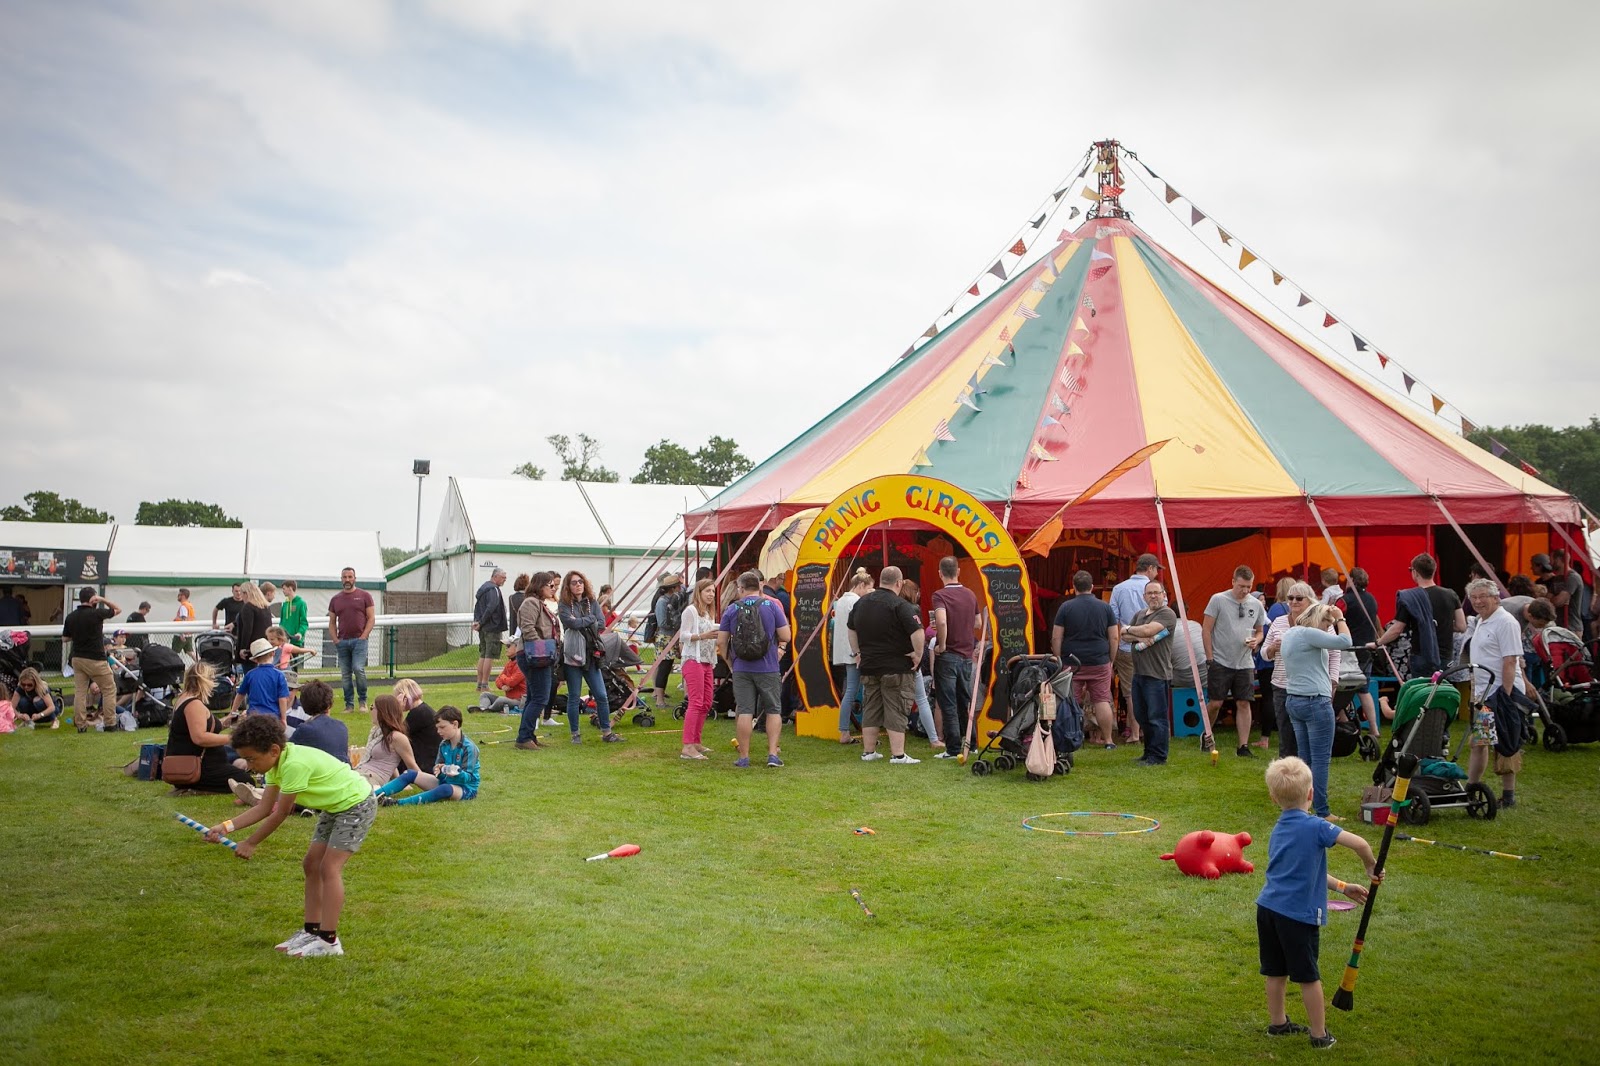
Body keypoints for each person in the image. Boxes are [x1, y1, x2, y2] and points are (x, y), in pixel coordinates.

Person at [206, 715, 377, 957]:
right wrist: (226, 827)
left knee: (329, 868)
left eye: (251, 758)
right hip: (335, 807)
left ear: (274, 750)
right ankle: (312, 931)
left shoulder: (294, 765)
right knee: (311, 864)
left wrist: (251, 842)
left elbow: (281, 812)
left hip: (356, 804)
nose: (249, 765)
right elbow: (264, 808)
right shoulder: (276, 765)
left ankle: (329, 942)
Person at [1255, 755, 1379, 1052]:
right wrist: (1370, 866)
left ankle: (1278, 1024)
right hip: (1296, 916)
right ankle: (1320, 1034)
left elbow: (1307, 870)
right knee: (1309, 976)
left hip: (1268, 910)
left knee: (1275, 972)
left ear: (1273, 798)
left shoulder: (1279, 828)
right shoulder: (1317, 826)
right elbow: (1361, 844)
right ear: (1311, 794)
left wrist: (1342, 887)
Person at [1278, 602, 1351, 819]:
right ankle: (1323, 811)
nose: (1327, 629)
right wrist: (1340, 617)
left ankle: (1303, 806)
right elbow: (1345, 642)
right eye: (1326, 624)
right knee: (1320, 759)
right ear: (1318, 619)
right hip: (1315, 701)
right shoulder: (1309, 633)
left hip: (1294, 700)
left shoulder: (1291, 633)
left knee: (1305, 758)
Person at [847, 566, 924, 766]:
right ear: (898, 583)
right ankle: (898, 755)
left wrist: (857, 653)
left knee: (871, 708)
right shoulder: (900, 605)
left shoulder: (861, 603)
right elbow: (917, 631)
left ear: (881, 580)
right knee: (896, 708)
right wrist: (918, 655)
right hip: (896, 666)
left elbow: (851, 628)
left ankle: (868, 752)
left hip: (869, 665)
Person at [1464, 578, 1526, 809]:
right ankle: (1472, 788)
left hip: (1500, 692)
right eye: (1474, 597)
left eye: (1483, 596)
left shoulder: (1505, 622)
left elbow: (1510, 660)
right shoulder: (1481, 620)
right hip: (1484, 693)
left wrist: (1505, 697)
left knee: (1505, 742)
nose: (1478, 601)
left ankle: (1507, 795)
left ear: (1495, 597)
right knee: (1480, 742)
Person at [718, 570, 790, 767]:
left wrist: (730, 663)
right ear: (759, 586)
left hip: (741, 667)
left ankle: (744, 757)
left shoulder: (732, 609)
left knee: (744, 711)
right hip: (768, 666)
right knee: (773, 710)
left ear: (740, 588)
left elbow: (721, 641)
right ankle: (772, 754)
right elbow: (786, 635)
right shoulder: (771, 606)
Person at [1051, 570, 1119, 751]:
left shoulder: (1065, 607)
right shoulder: (1105, 607)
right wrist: (1111, 660)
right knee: (1102, 700)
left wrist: (1059, 659)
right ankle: (1109, 740)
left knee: (1069, 700)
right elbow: (1114, 637)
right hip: (1099, 660)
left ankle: (1069, 737)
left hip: (1072, 662)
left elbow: (1056, 637)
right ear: (1092, 587)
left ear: (1074, 587)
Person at [1203, 566, 1267, 758]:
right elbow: (1206, 630)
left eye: (1249, 586)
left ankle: (1243, 746)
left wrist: (1257, 640)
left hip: (1245, 662)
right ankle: (1207, 734)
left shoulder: (1256, 604)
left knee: (1244, 702)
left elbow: (1260, 631)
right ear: (1233, 582)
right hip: (1220, 660)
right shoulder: (1218, 599)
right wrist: (1210, 658)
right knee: (1216, 703)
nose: (1245, 590)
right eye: (1241, 586)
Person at [166, 662, 254, 794]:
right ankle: (195, 789)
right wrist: (233, 738)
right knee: (246, 781)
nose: (214, 683)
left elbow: (206, 726)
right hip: (200, 767)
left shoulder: (185, 700)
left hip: (195, 764)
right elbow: (200, 737)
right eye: (212, 679)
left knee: (241, 776)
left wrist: (230, 720)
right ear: (204, 680)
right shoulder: (193, 704)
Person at [1374, 553, 1465, 680]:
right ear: (1433, 571)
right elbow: (1461, 626)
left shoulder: (1409, 598)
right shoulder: (1451, 594)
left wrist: (1378, 643)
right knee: (1441, 689)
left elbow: (1397, 629)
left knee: (1423, 690)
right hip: (1445, 656)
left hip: (1422, 654)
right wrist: (1441, 625)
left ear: (1415, 572)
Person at [558, 570, 623, 744]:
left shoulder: (592, 602)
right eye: (574, 582)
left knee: (601, 695)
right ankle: (575, 734)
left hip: (591, 654)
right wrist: (589, 619)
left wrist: (583, 620)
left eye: (580, 581)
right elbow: (570, 623)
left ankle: (607, 732)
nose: (578, 585)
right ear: (568, 586)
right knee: (574, 696)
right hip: (573, 655)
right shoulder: (564, 604)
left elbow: (600, 623)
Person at [376, 707, 480, 806]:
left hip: (465, 788)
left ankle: (397, 803)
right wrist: (439, 771)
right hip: (446, 781)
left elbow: (468, 778)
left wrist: (456, 773)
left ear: (455, 724)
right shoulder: (444, 744)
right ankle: (373, 796)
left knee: (445, 789)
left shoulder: (469, 747)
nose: (438, 731)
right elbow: (437, 770)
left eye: (442, 727)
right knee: (410, 774)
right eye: (437, 728)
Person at [931, 556, 981, 760]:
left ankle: (952, 749)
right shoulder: (970, 594)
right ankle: (972, 743)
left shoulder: (939, 595)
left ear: (940, 573)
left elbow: (941, 621)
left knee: (948, 702)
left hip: (949, 655)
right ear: (958, 571)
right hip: (966, 655)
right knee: (964, 702)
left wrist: (942, 645)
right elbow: (978, 623)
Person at [1111, 554, 1162, 747]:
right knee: (1152, 687)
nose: (1156, 573)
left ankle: (1134, 732)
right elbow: (1162, 617)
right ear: (1150, 569)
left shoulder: (1119, 589)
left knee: (1131, 693)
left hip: (1127, 646)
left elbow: (1113, 620)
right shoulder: (1156, 590)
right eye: (1156, 570)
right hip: (1152, 646)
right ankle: (1149, 730)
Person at [1123, 581, 1176, 766]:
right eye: (1149, 593)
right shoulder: (1139, 614)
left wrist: (1130, 629)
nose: (1153, 596)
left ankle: (1159, 756)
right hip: (1139, 673)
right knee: (1141, 715)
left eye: (1157, 592)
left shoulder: (1167, 613)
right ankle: (1148, 752)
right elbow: (1124, 636)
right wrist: (1139, 635)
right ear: (1144, 596)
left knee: (1157, 717)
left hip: (1157, 674)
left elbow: (1148, 630)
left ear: (1163, 595)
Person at [516, 571, 562, 747]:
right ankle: (524, 738)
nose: (553, 588)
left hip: (537, 655)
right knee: (540, 698)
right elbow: (527, 627)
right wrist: (541, 649)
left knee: (533, 698)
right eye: (550, 585)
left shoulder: (539, 603)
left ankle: (528, 736)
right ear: (540, 586)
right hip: (535, 656)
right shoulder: (531, 603)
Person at [63, 587, 118, 731]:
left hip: (77, 658)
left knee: (80, 692)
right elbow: (117, 610)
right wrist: (103, 599)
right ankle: (110, 723)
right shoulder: (97, 613)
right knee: (109, 689)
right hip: (96, 658)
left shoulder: (71, 616)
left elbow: (65, 638)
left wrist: (79, 635)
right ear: (93, 598)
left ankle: (80, 724)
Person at [677, 577, 720, 760]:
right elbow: (683, 635)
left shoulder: (708, 613)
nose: (711, 594)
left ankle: (696, 741)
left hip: (707, 660)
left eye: (713, 591)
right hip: (693, 659)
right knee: (696, 702)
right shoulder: (691, 611)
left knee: (707, 702)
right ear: (699, 592)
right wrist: (703, 635)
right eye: (707, 591)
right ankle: (687, 746)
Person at [897, 578, 942, 751]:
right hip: (911, 658)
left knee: (897, 700)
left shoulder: (895, 607)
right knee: (921, 698)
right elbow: (918, 634)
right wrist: (918, 654)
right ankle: (934, 739)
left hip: (897, 658)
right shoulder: (913, 609)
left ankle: (900, 737)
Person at [1338, 568, 1381, 739]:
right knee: (1364, 690)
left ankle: (1343, 724)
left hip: (1347, 651)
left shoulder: (1344, 601)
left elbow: (1333, 620)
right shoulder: (1372, 599)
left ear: (1351, 580)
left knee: (1340, 688)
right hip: (1366, 650)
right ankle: (1374, 728)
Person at [831, 569, 872, 744]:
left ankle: (845, 730)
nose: (869, 593)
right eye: (868, 589)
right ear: (861, 585)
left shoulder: (840, 601)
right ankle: (848, 731)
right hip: (855, 652)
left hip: (844, 651)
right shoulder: (856, 601)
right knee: (856, 691)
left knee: (849, 690)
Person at [328, 567, 375, 713]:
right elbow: (332, 622)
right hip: (342, 642)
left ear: (355, 578)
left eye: (350, 577)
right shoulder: (335, 599)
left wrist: (364, 636)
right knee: (345, 674)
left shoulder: (365, 596)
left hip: (359, 641)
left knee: (358, 669)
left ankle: (362, 701)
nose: (347, 579)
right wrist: (335, 639)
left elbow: (371, 618)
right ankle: (349, 705)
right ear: (341, 579)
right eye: (345, 577)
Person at [353, 695, 422, 789]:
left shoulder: (397, 737)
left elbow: (412, 766)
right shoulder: (376, 732)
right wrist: (398, 782)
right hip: (360, 773)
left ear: (383, 712)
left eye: (373, 707)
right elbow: (389, 760)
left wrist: (432, 788)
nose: (371, 711)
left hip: (371, 778)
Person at [648, 572, 688, 712]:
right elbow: (662, 623)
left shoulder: (671, 600)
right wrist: (677, 622)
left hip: (671, 637)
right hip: (665, 638)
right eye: (678, 586)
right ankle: (659, 699)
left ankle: (660, 697)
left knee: (667, 667)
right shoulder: (662, 602)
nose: (680, 589)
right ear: (673, 588)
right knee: (664, 668)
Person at [291, 680, 349, 765]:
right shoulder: (342, 727)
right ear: (330, 704)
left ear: (303, 704)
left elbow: (288, 754)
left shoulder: (305, 729)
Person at [233, 638, 290, 722]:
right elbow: (282, 699)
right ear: (273, 653)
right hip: (273, 717)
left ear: (255, 660)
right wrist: (284, 718)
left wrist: (233, 711)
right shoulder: (279, 675)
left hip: (253, 716)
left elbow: (240, 694)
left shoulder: (250, 674)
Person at [471, 567, 508, 698]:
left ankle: (479, 684)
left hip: (483, 627)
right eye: (503, 577)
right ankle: (485, 684)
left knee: (483, 654)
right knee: (489, 655)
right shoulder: (493, 590)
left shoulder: (483, 588)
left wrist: (478, 622)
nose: (504, 580)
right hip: (492, 627)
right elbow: (491, 607)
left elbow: (477, 607)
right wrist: (481, 622)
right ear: (495, 576)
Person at [393, 678, 439, 769]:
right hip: (430, 757)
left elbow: (396, 733)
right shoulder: (422, 709)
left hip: (426, 762)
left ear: (405, 697)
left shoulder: (419, 713)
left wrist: (398, 710)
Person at [233, 582, 273, 673]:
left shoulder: (248, 607)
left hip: (251, 648)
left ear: (246, 593)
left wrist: (243, 648)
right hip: (263, 646)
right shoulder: (265, 607)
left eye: (242, 593)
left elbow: (247, 629)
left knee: (250, 673)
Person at [279, 580, 309, 647]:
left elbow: (304, 622)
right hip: (284, 641)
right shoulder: (285, 604)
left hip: (296, 641)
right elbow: (281, 622)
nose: (283, 591)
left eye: (284, 589)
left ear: (290, 588)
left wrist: (300, 633)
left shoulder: (301, 603)